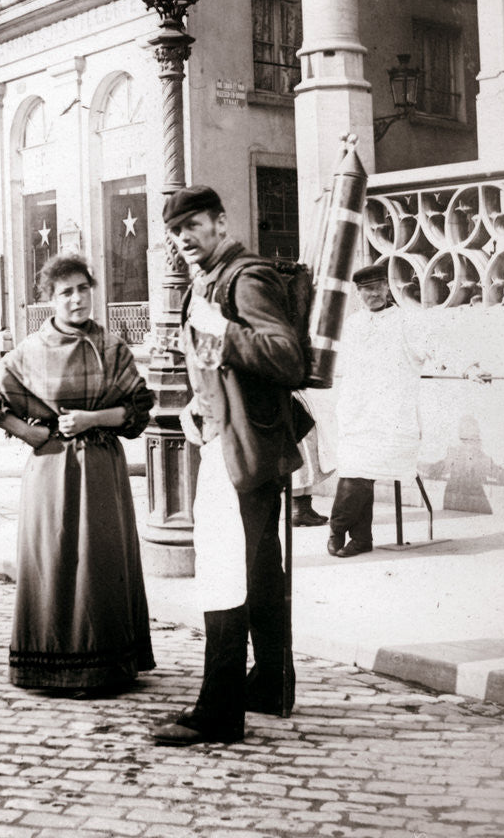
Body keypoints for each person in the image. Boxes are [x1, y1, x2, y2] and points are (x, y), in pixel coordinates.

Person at [152, 185, 305, 747]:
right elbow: (221, 368)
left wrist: (223, 330)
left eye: (194, 225)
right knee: (261, 572)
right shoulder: (211, 281)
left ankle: (218, 710)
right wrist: (199, 401)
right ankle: (269, 682)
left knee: (222, 574)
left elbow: (287, 356)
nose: (185, 238)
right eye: (176, 231)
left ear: (221, 222)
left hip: (245, 450)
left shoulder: (246, 276)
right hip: (233, 441)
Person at [0, 253, 156, 696]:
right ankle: (50, 666)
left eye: (83, 289)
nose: (77, 299)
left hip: (101, 471)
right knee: (54, 559)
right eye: (66, 292)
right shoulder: (30, 351)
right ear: (50, 300)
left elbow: (139, 408)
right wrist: (25, 433)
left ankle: (107, 667)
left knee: (100, 562)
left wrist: (95, 420)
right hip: (52, 472)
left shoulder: (111, 347)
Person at [328, 263, 427, 558]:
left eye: (377, 287)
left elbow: (434, 346)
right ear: (358, 294)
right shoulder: (353, 324)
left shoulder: (406, 320)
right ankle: (360, 539)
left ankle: (337, 528)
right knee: (355, 469)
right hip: (356, 412)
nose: (372, 294)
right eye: (365, 290)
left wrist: (470, 368)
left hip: (390, 417)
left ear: (387, 287)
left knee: (358, 473)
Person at [291, 389, 335, 527]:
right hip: (291, 401)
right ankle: (297, 511)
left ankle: (305, 508)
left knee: (310, 457)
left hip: (300, 398)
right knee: (301, 459)